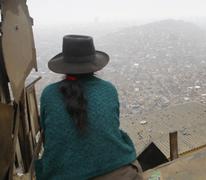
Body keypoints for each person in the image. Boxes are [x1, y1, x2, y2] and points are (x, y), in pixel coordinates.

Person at [35, 35, 143, 180]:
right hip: (119, 172)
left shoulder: (49, 94)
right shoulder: (108, 90)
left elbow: (49, 136)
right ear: (94, 64)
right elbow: (112, 126)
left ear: (64, 65)